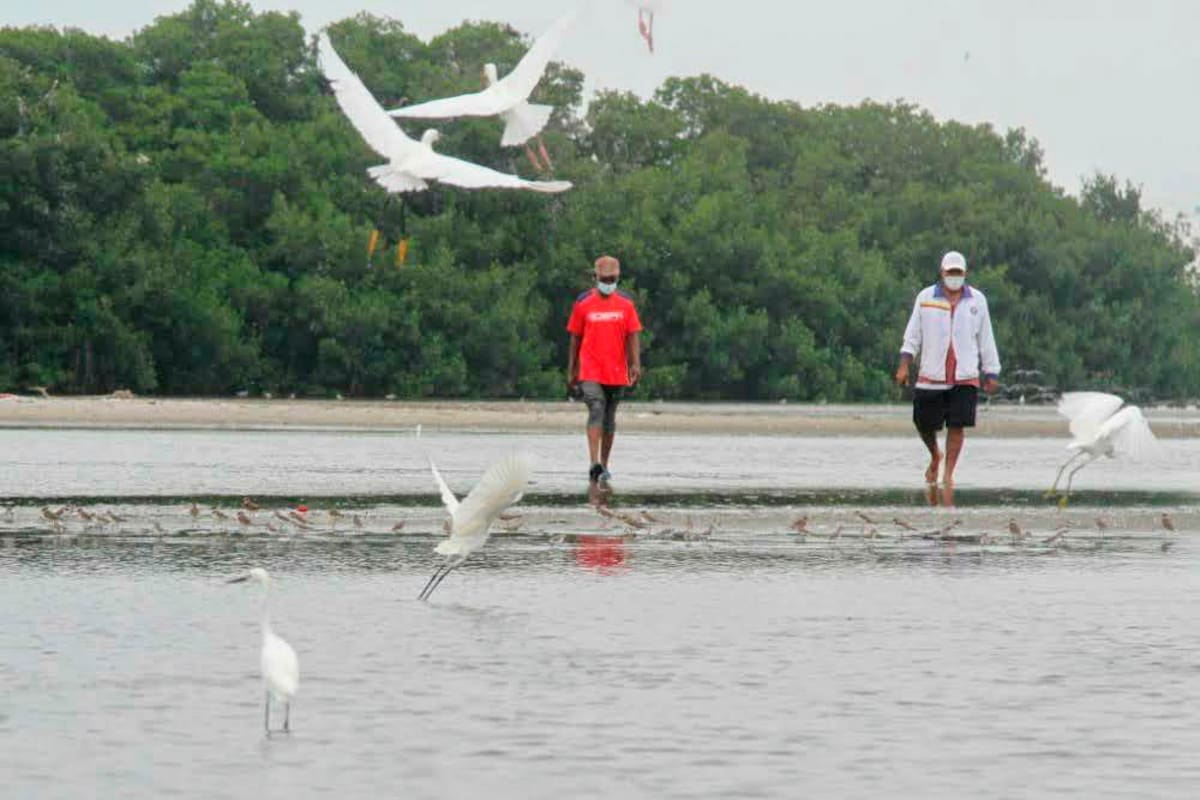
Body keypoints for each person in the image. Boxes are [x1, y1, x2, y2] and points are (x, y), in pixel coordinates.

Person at [895, 251, 1000, 507]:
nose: (954, 278)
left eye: (958, 273)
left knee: (957, 424)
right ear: (942, 273)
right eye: (950, 273)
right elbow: (912, 336)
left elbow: (986, 338)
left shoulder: (977, 301)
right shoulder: (926, 298)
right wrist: (904, 366)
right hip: (932, 373)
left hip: (964, 375)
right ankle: (934, 455)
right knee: (923, 422)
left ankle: (948, 474)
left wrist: (991, 371)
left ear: (964, 274)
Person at [567, 255, 643, 484]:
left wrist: (635, 363)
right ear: (595, 277)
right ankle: (593, 463)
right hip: (590, 369)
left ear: (617, 278)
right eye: (604, 278)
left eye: (612, 279)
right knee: (596, 407)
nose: (608, 282)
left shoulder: (626, 304)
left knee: (609, 419)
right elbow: (575, 338)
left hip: (616, 370)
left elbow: (633, 335)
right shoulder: (583, 303)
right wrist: (571, 369)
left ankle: (605, 465)